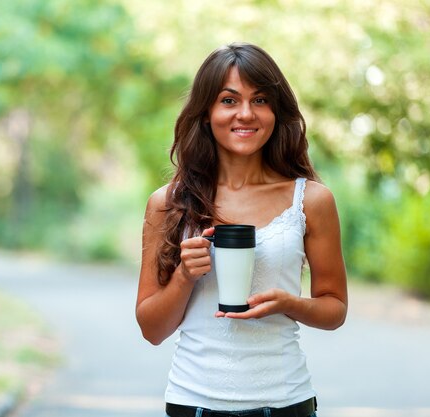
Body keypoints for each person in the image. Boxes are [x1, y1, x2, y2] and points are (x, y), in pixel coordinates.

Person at [136, 42, 348, 417]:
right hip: (193, 403)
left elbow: (334, 309)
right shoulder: (168, 203)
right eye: (229, 100)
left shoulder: (311, 201)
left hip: (285, 402)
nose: (246, 114)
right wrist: (185, 275)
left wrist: (289, 304)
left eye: (261, 100)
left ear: (276, 112)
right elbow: (152, 329)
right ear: (206, 113)